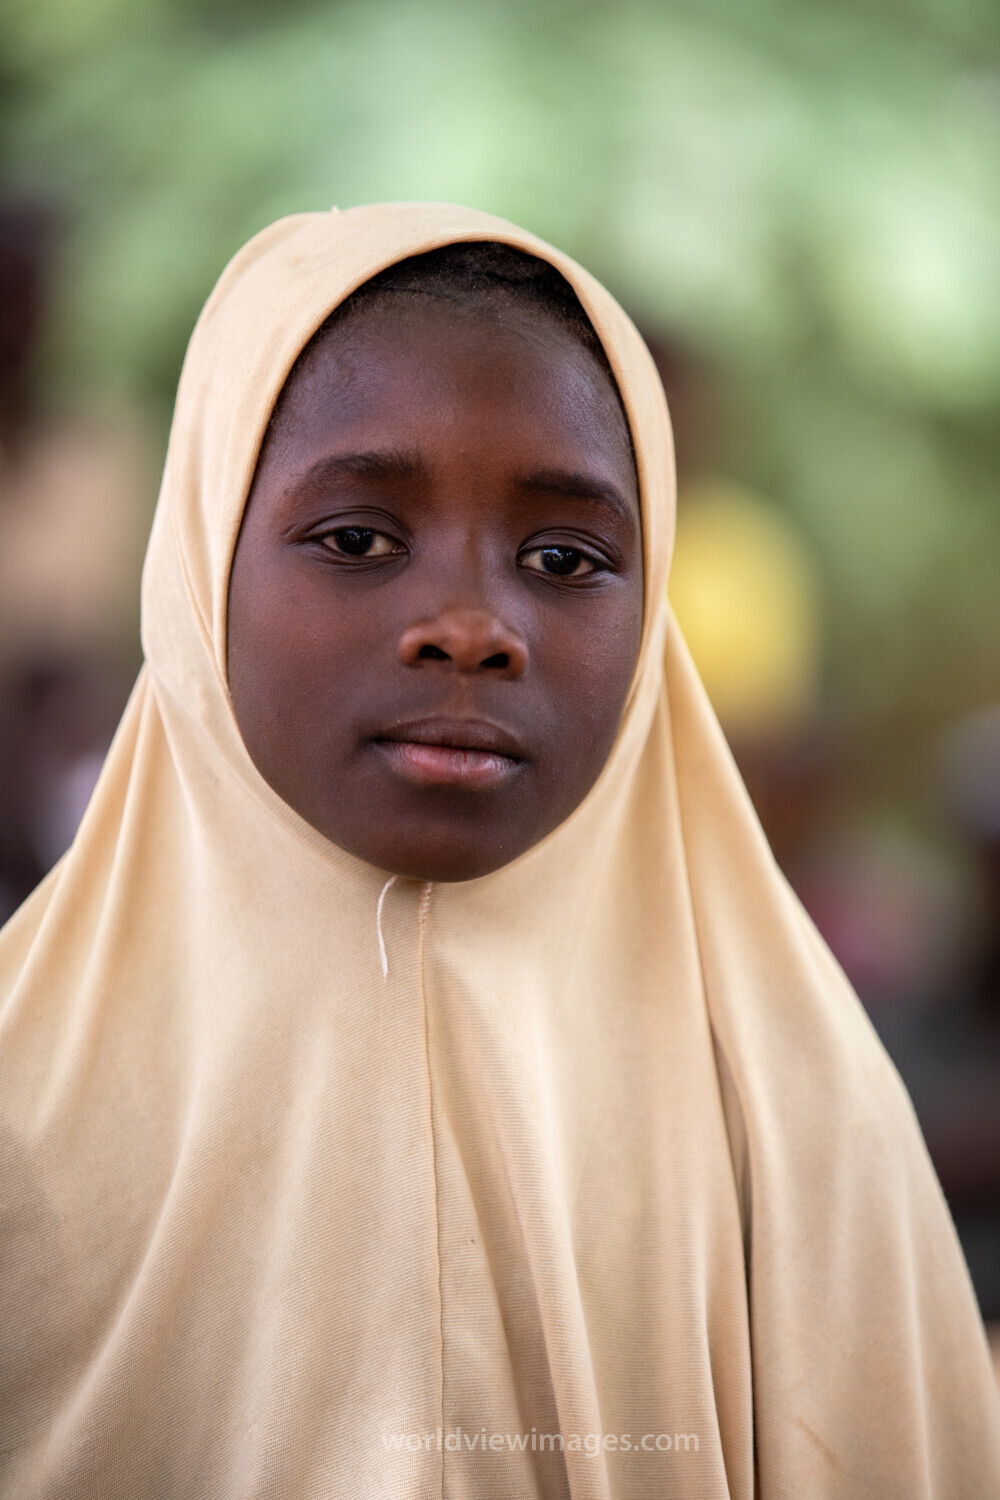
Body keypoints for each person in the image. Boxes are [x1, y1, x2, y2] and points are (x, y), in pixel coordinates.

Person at [0, 203, 997, 1499]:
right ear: (198, 573)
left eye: (565, 557)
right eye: (359, 539)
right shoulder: (28, 1103)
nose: (472, 625)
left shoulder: (790, 1128)